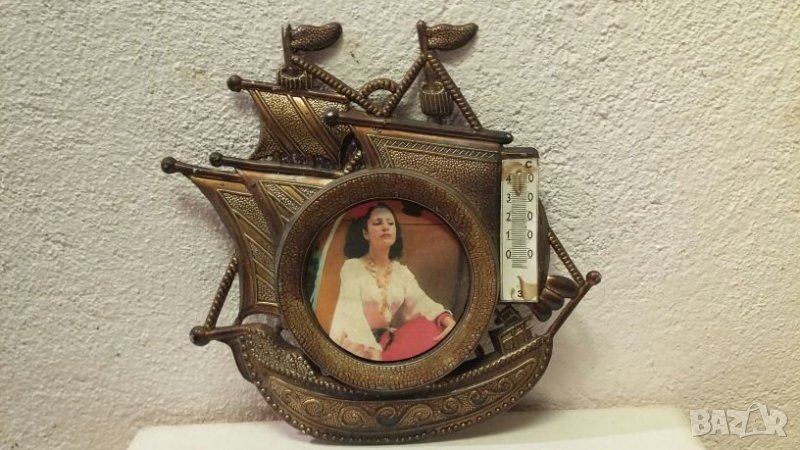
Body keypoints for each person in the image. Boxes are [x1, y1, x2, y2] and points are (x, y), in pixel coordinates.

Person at [328, 202, 456, 361]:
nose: (385, 227)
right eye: (377, 223)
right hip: (354, 338)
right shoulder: (352, 267)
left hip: (384, 339)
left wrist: (445, 319)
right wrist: (371, 349)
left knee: (432, 330)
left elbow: (421, 302)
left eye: (390, 223)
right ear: (366, 233)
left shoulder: (401, 272)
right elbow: (351, 313)